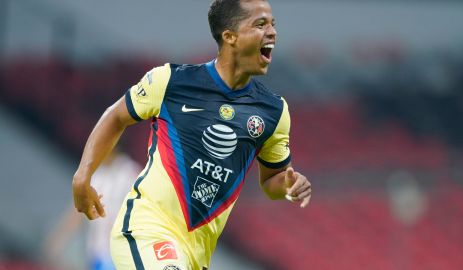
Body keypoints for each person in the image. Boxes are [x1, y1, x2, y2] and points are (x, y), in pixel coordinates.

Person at [72, 0, 312, 269]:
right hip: (146, 230)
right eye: (260, 24)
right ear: (230, 36)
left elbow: (272, 180)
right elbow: (116, 116)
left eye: (273, 24)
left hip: (195, 253)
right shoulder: (171, 81)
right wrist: (83, 174)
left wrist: (289, 185)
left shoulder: (274, 111)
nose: (272, 32)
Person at [45, 148, 141, 270]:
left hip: (121, 252)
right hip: (98, 252)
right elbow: (78, 211)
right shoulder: (97, 175)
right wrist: (58, 238)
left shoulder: (131, 173)